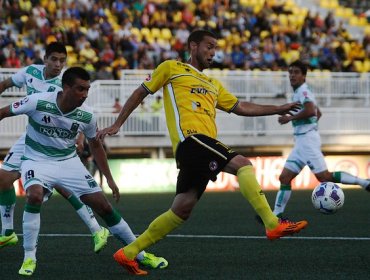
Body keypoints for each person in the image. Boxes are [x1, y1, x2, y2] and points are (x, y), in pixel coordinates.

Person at [97, 30, 308, 276]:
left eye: (215, 48)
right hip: (191, 140)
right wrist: (117, 124)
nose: (213, 52)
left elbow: (240, 107)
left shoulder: (213, 84)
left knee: (182, 208)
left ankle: (129, 252)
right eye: (209, 46)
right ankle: (272, 224)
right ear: (193, 46)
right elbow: (140, 92)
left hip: (202, 146)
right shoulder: (171, 68)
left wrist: (277, 109)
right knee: (243, 164)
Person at [0, 67, 168, 276]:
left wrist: (109, 179)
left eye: (87, 89)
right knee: (34, 196)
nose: (85, 94)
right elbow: (3, 113)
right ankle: (29, 258)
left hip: (68, 162)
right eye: (81, 89)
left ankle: (140, 254)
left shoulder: (86, 114)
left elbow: (96, 146)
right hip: (36, 159)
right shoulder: (37, 101)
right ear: (66, 87)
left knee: (104, 208)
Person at [0, 42, 107, 253]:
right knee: (3, 179)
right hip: (32, 136)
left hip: (57, 141)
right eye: (54, 59)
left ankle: (97, 229)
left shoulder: (65, 84)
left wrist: (78, 139)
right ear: (45, 59)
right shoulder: (30, 72)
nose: (58, 65)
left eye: (62, 61)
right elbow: (5, 83)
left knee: (64, 186)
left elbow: (79, 112)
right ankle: (7, 233)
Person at [272, 60, 370, 217]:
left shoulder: (303, 91)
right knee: (284, 177)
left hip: (307, 141)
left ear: (304, 76)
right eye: (290, 72)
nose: (292, 75)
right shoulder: (300, 91)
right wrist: (310, 127)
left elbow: (311, 111)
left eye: (296, 72)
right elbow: (318, 113)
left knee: (324, 177)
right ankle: (276, 215)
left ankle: (364, 182)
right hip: (303, 141)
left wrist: (290, 119)